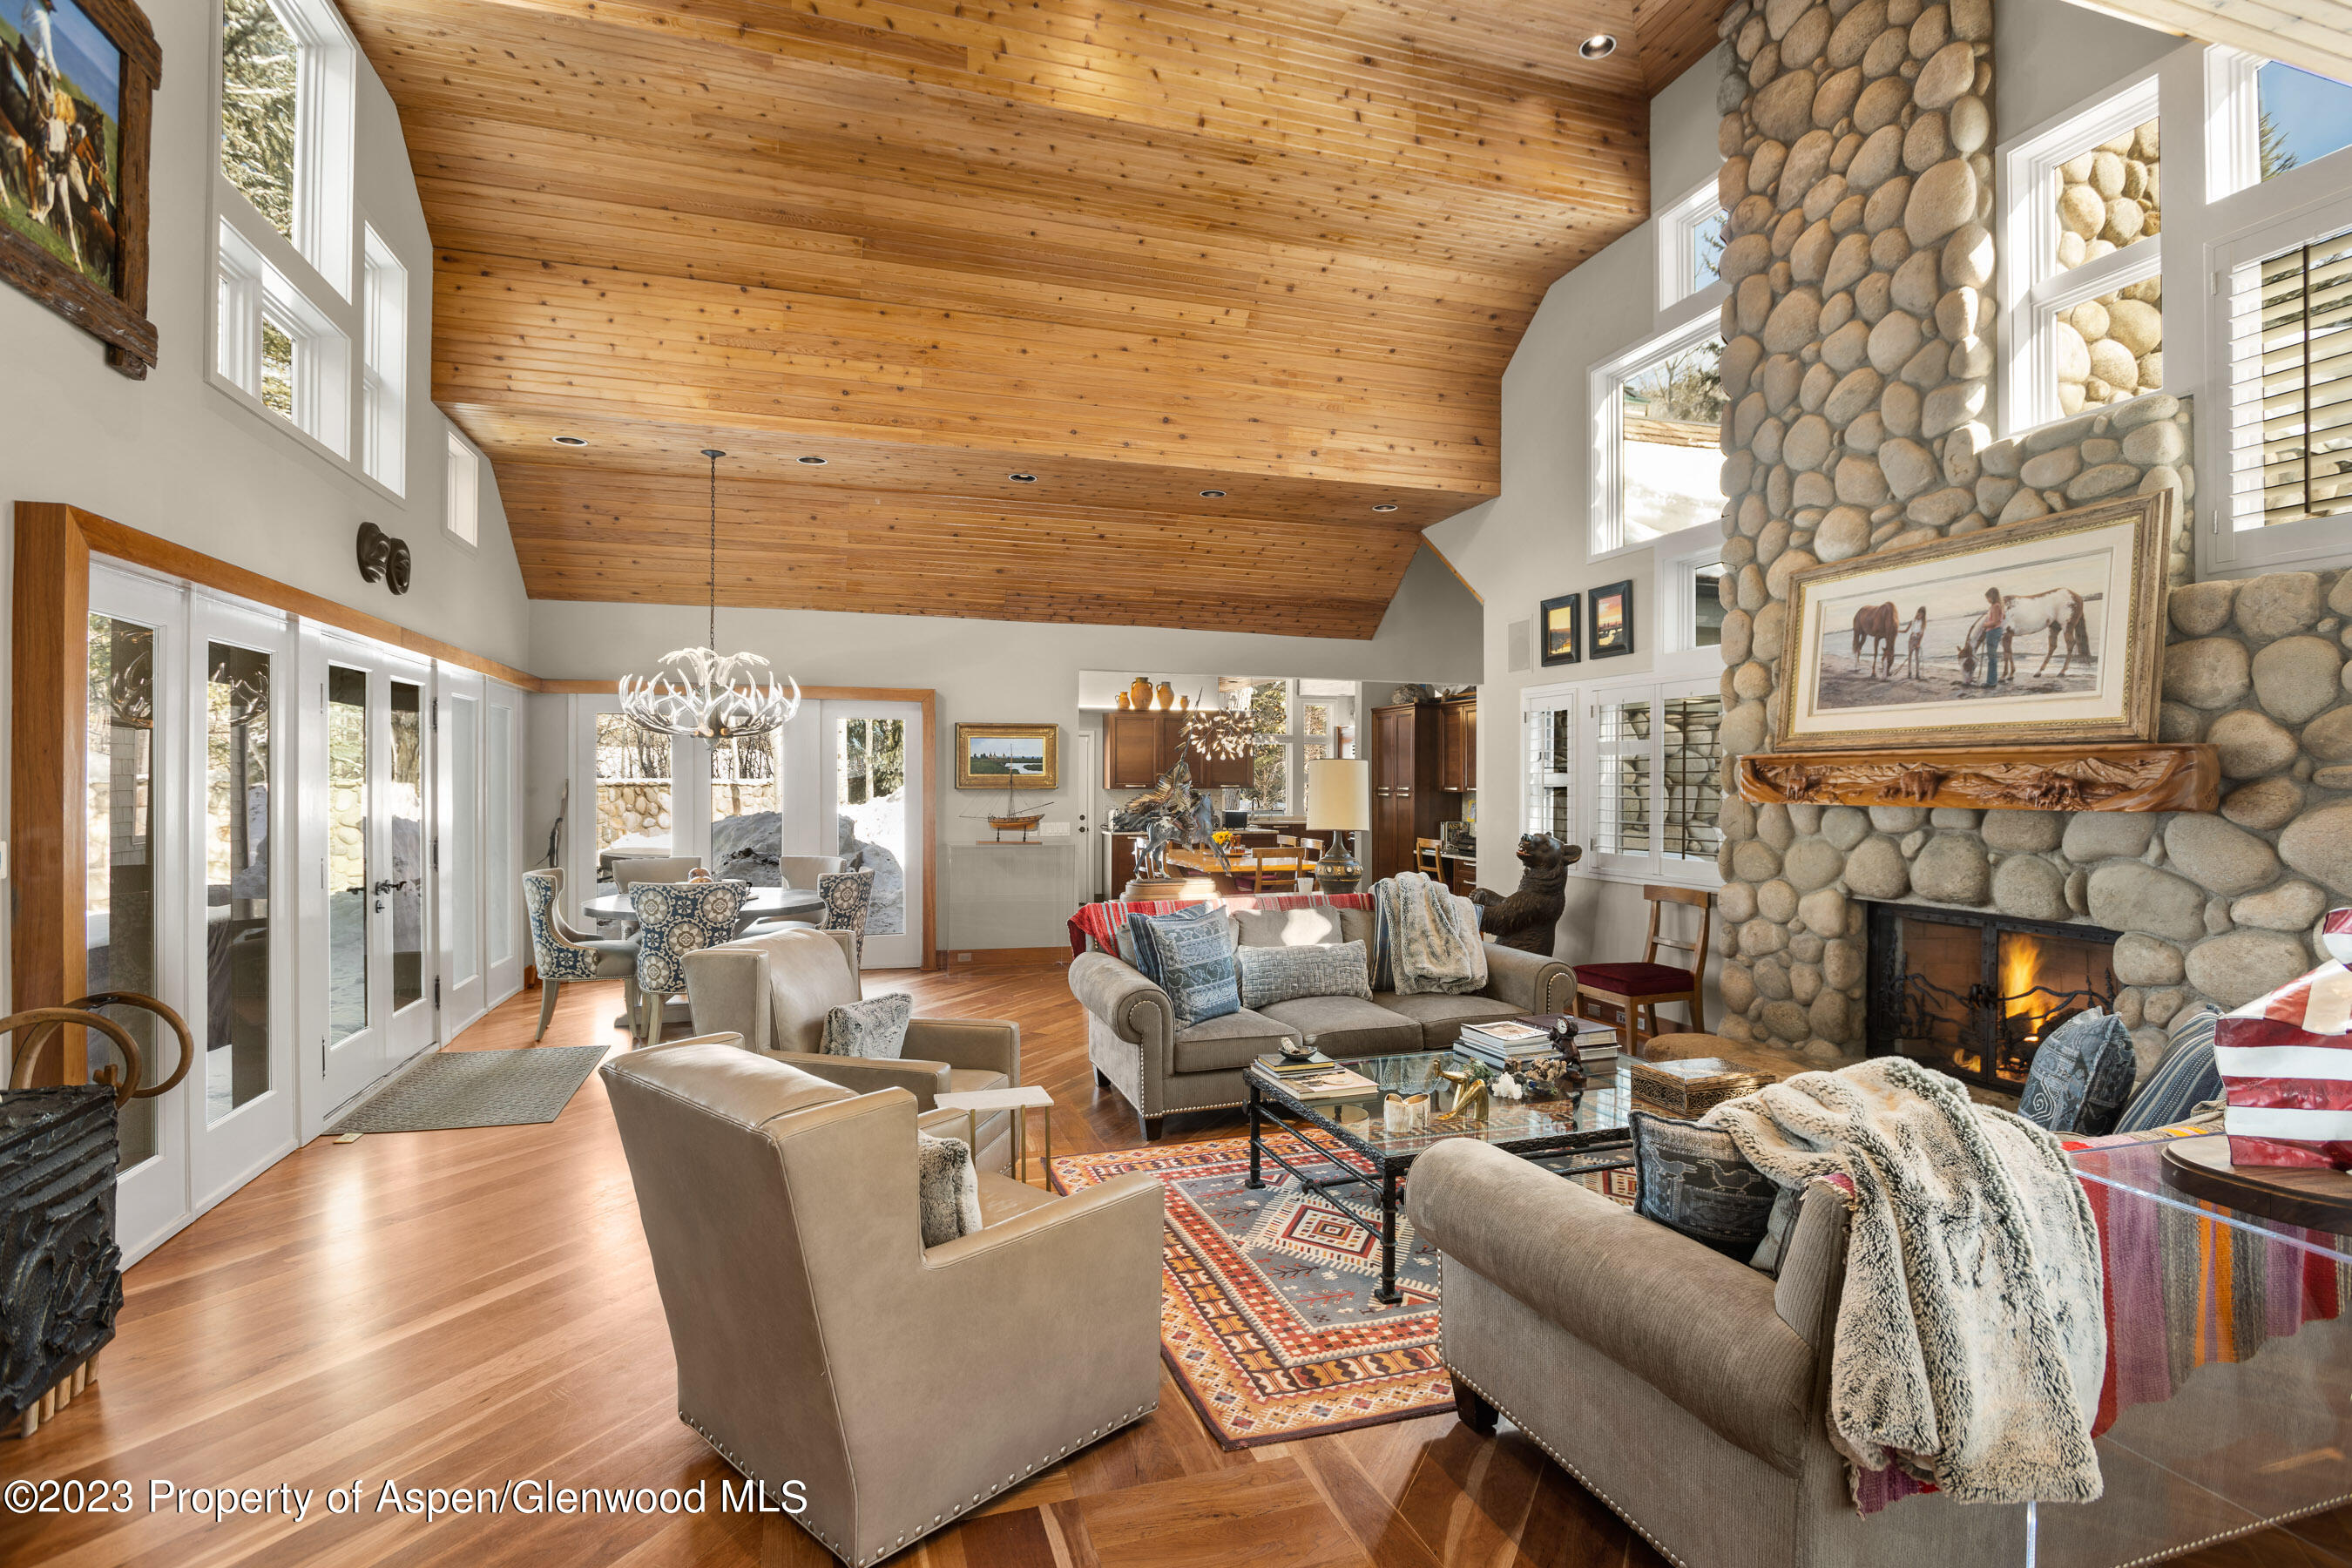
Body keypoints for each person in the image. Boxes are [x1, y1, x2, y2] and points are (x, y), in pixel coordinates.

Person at [1978, 587, 2008, 689]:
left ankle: (1991, 682)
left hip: (1993, 632)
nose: (1988, 600)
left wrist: (1985, 625)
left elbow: (1995, 622)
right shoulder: (1999, 606)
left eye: (1988, 598)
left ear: (1993, 597)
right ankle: (1992, 681)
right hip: (1996, 631)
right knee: (1992, 657)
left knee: (1992, 658)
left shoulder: (1995, 606)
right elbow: (2002, 618)